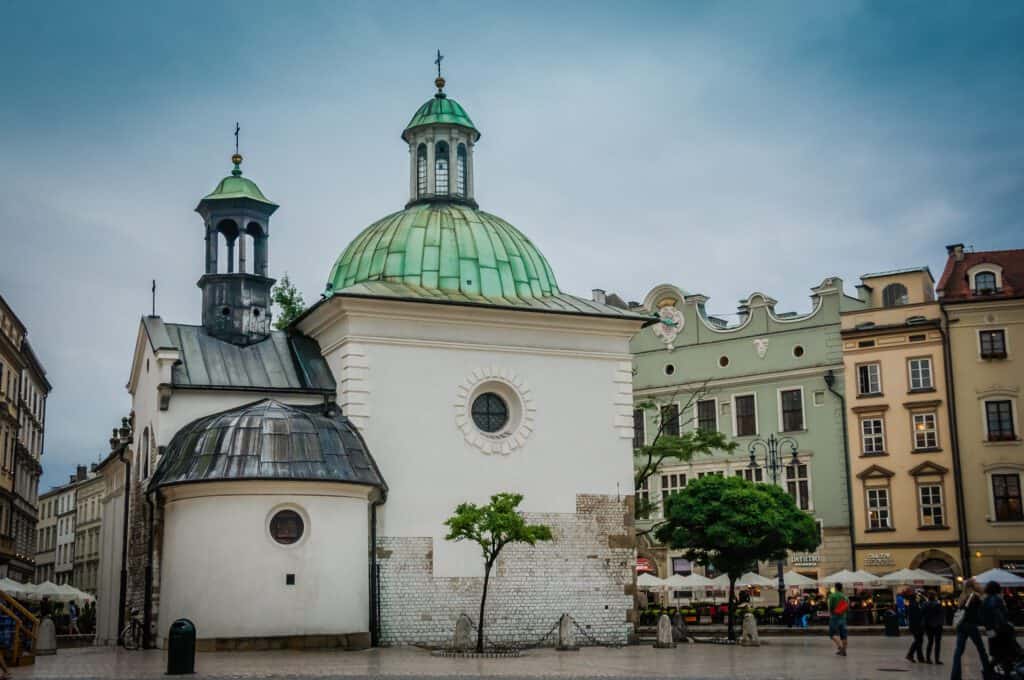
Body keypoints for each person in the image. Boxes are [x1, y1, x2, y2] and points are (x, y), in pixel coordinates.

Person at [950, 578, 992, 680]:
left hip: (961, 625)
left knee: (958, 651)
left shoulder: (962, 596)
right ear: (972, 586)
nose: (979, 584)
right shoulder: (975, 596)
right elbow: (983, 609)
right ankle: (988, 673)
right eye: (976, 583)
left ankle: (955, 676)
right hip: (971, 625)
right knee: (981, 650)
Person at [828, 582, 849, 657]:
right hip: (843, 617)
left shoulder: (832, 596)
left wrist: (831, 614)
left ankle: (840, 647)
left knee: (831, 634)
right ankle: (844, 650)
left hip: (835, 617)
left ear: (836, 588)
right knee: (844, 635)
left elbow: (831, 607)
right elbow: (847, 607)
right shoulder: (845, 597)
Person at [924, 590, 944, 664]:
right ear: (935, 596)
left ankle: (928, 658)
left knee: (930, 642)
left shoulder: (925, 604)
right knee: (937, 643)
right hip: (937, 625)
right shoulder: (938, 604)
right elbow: (941, 614)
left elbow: (923, 614)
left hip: (928, 625)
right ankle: (937, 659)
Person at [905, 590, 926, 662]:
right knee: (918, 640)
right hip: (916, 626)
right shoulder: (914, 604)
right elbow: (919, 613)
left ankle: (920, 657)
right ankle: (910, 655)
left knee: (919, 641)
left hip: (915, 625)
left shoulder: (913, 604)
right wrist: (922, 598)